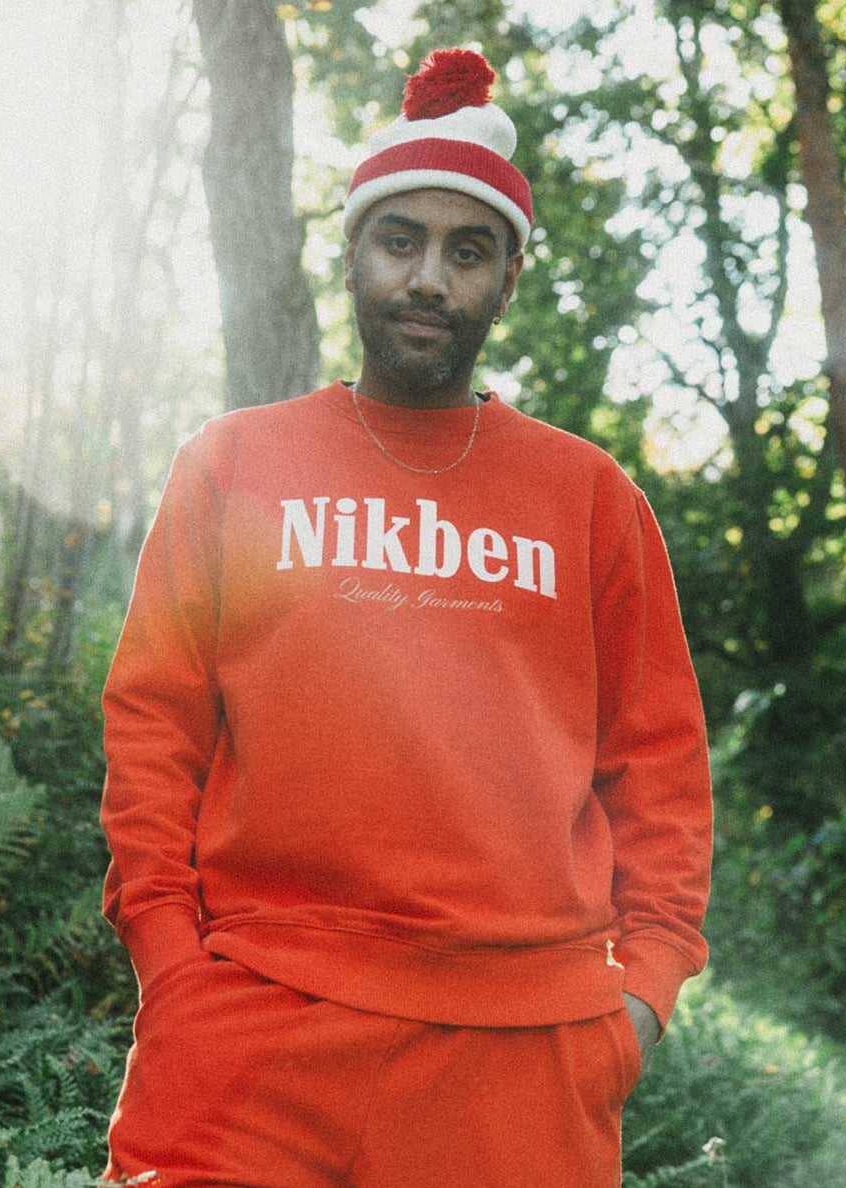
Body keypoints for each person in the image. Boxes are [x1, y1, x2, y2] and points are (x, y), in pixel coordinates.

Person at [99, 48, 711, 1188]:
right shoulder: (236, 464)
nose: (430, 277)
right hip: (250, 1032)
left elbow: (661, 765)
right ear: (353, 253)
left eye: (467, 250)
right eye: (401, 240)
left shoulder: (591, 500)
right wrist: (170, 966)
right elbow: (154, 726)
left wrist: (643, 998)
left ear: (509, 276)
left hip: (524, 1052)